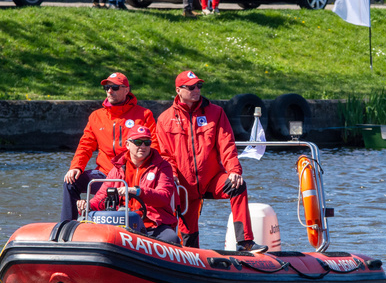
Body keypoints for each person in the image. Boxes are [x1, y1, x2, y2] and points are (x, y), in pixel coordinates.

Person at [156, 70, 267, 253]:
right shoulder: (165, 119)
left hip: (211, 179)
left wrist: (234, 171)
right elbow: (165, 155)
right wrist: (173, 176)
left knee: (238, 186)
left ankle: (245, 242)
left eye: (199, 86)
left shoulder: (215, 112)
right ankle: (193, 265)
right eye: (191, 87)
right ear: (178, 90)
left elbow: (227, 145)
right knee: (188, 240)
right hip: (184, 185)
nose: (196, 90)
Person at [61, 72, 159, 221]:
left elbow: (155, 146)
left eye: (114, 87)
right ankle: (67, 226)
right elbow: (85, 145)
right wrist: (75, 167)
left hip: (133, 174)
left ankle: (142, 226)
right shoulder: (96, 116)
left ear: (126, 90)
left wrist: (157, 173)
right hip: (103, 174)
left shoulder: (144, 114)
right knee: (70, 183)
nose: (109, 91)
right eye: (107, 88)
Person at [79, 125, 180, 244]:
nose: (142, 146)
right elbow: (102, 197)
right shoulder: (118, 169)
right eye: (138, 142)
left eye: (146, 142)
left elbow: (164, 197)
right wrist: (87, 205)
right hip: (122, 222)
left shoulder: (163, 167)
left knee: (171, 239)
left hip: (154, 223)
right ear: (127, 144)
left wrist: (138, 192)